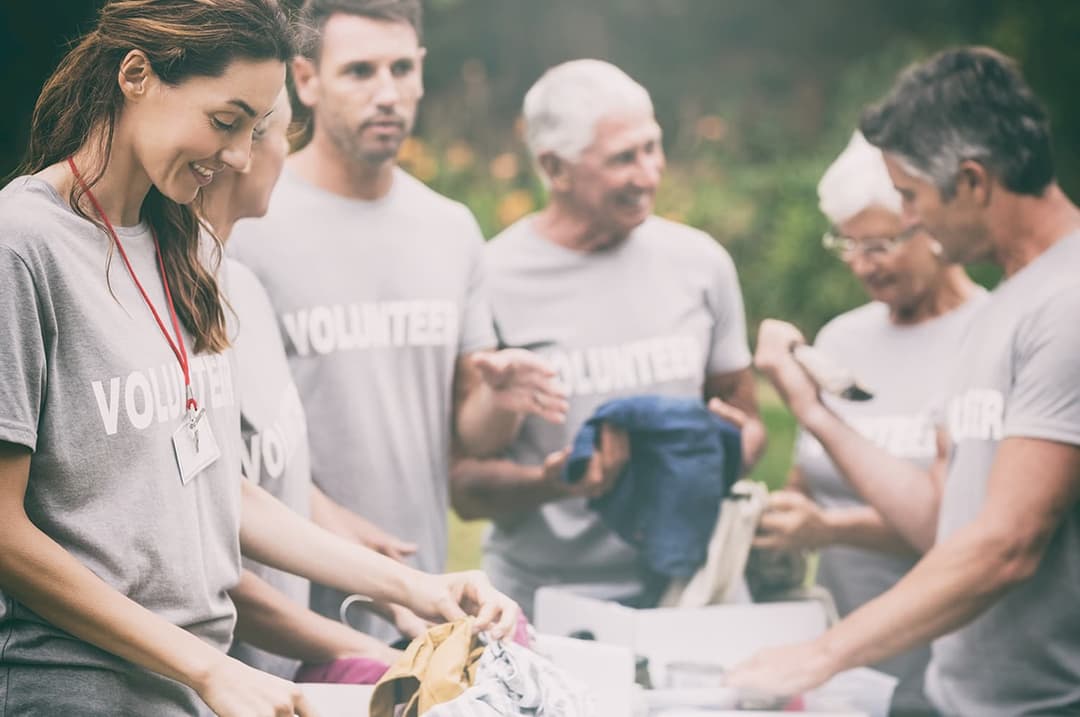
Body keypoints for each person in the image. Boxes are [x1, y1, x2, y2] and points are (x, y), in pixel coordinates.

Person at [0, 2, 518, 714]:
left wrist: (418, 587)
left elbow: (218, 487)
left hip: (191, 689)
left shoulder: (177, 245)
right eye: (226, 120)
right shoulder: (22, 245)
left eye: (254, 127)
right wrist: (208, 668)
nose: (241, 155)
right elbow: (4, 529)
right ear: (136, 76)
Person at [727, 47, 1080, 716]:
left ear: (973, 182)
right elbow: (944, 524)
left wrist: (823, 653)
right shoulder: (1004, 302)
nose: (910, 219)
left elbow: (1007, 544)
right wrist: (812, 409)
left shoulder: (1069, 303)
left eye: (912, 198)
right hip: (962, 697)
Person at [228, 0, 565, 642]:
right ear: (305, 79)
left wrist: (498, 399)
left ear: (421, 73)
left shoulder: (451, 227)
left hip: (421, 604)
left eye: (401, 69)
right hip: (279, 610)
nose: (387, 94)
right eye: (359, 71)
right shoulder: (250, 220)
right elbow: (229, 451)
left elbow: (474, 438)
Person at [450, 59, 767, 618]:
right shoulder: (491, 276)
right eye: (624, 158)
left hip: (691, 591)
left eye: (653, 147)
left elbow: (748, 426)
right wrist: (552, 484)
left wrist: (726, 448)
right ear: (555, 167)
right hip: (546, 602)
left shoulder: (700, 263)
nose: (649, 173)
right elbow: (466, 487)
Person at [751, 130, 985, 714]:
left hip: (946, 663)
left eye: (878, 245)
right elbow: (808, 483)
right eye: (847, 245)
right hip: (843, 666)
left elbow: (959, 526)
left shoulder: (986, 336)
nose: (861, 264)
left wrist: (829, 529)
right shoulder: (841, 338)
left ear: (927, 223)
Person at [200, 90, 401, 680]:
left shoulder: (246, 289)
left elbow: (262, 473)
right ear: (241, 149)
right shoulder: (171, 312)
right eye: (287, 135)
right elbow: (216, 563)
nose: (289, 158)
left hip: (287, 679)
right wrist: (376, 654)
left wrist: (380, 572)